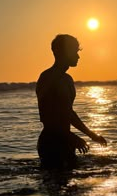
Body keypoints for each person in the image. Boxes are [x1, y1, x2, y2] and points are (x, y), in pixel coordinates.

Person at [36, 34, 107, 168]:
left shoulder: (67, 79)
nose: (78, 56)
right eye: (74, 52)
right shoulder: (47, 78)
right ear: (61, 52)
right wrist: (69, 136)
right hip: (51, 142)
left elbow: (68, 113)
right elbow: (46, 117)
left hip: (65, 141)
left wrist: (92, 136)